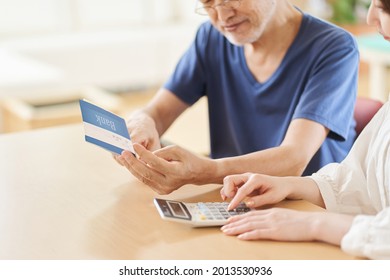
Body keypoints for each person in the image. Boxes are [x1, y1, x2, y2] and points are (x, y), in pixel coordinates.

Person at [115, 0, 359, 194]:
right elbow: (157, 112)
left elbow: (293, 159)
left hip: (305, 206)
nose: (222, 17)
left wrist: (206, 170)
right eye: (208, 2)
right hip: (234, 199)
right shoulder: (211, 38)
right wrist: (142, 123)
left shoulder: (334, 47)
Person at [219, 0, 390, 260]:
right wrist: (290, 186)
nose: (369, 18)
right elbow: (361, 183)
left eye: (383, 7)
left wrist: (312, 224)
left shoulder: (332, 46)